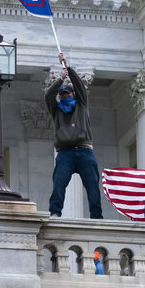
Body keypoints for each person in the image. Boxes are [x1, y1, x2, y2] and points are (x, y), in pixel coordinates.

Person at [45, 53, 102, 219]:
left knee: (92, 186)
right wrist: (60, 80)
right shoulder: (56, 110)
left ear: (73, 95)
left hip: (85, 151)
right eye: (62, 95)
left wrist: (68, 68)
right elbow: (48, 95)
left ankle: (96, 217)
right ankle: (55, 213)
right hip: (65, 153)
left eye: (68, 94)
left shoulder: (81, 105)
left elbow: (80, 87)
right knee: (58, 185)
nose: (65, 97)